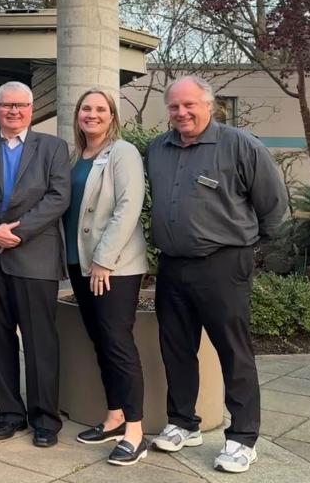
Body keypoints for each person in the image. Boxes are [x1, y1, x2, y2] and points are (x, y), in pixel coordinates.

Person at [147, 76, 287, 473]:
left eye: (189, 105)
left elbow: (273, 206)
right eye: (174, 107)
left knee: (233, 351)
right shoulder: (158, 148)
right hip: (172, 264)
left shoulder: (240, 145)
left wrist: (244, 248)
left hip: (224, 264)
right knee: (176, 347)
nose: (182, 113)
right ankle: (182, 423)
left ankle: (243, 438)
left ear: (210, 105)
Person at [0, 81, 70, 448]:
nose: (13, 111)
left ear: (31, 108)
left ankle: (45, 419)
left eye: (21, 105)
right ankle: (9, 413)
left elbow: (58, 197)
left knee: (41, 342)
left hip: (34, 256)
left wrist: (17, 233)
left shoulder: (53, 147)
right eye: (7, 105)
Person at [63, 88, 149, 466]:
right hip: (78, 264)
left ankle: (135, 431)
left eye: (100, 109)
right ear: (78, 115)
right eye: (86, 108)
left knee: (117, 342)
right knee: (101, 341)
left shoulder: (122, 153)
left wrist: (104, 260)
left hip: (113, 268)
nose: (92, 114)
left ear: (112, 116)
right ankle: (114, 416)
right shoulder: (75, 155)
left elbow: (129, 207)